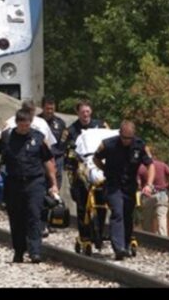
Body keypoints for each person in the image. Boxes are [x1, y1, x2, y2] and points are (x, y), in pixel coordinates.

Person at [0, 108, 58, 264]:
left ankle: (35, 252)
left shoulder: (38, 138)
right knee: (16, 218)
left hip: (35, 181)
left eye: (27, 125)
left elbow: (48, 161)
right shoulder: (6, 137)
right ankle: (19, 251)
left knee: (34, 215)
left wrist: (53, 183)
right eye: (22, 125)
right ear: (17, 123)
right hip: (13, 182)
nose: (25, 128)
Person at [93, 120, 155, 260]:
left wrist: (149, 184)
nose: (127, 141)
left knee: (127, 215)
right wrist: (105, 170)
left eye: (129, 138)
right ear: (120, 134)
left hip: (130, 185)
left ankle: (125, 245)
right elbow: (96, 158)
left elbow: (151, 165)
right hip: (113, 184)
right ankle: (118, 247)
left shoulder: (140, 146)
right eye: (124, 137)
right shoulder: (108, 144)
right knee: (117, 211)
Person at [63, 99, 109, 248]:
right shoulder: (71, 131)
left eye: (88, 111)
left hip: (97, 170)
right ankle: (85, 236)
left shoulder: (101, 126)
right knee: (82, 205)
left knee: (101, 203)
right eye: (83, 112)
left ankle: (99, 233)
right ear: (78, 113)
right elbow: (65, 150)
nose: (85, 115)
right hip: (79, 172)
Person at [138, 157, 169, 236]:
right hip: (163, 194)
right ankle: (163, 241)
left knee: (147, 220)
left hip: (148, 195)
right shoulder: (162, 164)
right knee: (162, 218)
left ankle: (148, 241)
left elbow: (138, 185)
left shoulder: (141, 168)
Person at [38, 95, 66, 190]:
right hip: (40, 160)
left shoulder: (60, 123)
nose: (50, 111)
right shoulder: (36, 121)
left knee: (55, 188)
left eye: (52, 108)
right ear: (42, 107)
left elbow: (62, 144)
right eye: (47, 108)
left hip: (56, 159)